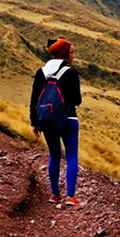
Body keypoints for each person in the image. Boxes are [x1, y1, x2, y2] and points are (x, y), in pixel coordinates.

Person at [30, 38, 83, 206]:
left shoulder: (41, 72)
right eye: (72, 52)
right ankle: (71, 196)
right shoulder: (70, 72)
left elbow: (34, 100)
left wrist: (34, 122)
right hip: (69, 119)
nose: (73, 56)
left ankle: (54, 195)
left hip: (47, 120)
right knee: (72, 155)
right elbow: (77, 100)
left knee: (54, 155)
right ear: (64, 54)